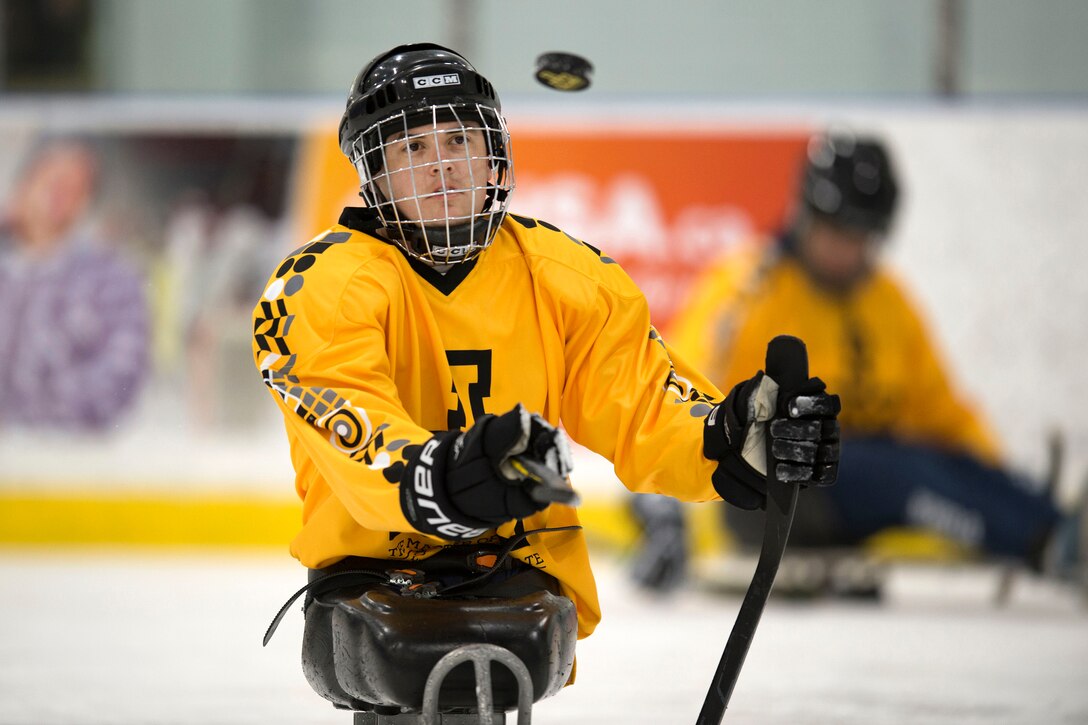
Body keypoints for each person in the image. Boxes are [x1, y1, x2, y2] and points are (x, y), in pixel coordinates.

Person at [251, 42, 841, 703]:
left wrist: (729, 440)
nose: (442, 165)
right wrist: (448, 477)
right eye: (411, 148)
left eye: (458, 139)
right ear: (373, 174)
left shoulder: (564, 276)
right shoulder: (317, 287)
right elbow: (355, 430)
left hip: (520, 565)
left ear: (493, 154)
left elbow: (641, 402)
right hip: (371, 570)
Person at [630, 131, 1085, 595]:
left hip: (853, 485)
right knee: (898, 472)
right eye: (839, 232)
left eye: (864, 236)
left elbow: (940, 412)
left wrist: (993, 478)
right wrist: (663, 511)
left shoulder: (887, 300)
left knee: (921, 461)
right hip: (768, 494)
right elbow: (676, 386)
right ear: (808, 216)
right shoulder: (749, 288)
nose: (850, 250)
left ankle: (1054, 525)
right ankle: (1047, 543)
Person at [0, 138, 149, 431]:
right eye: (50, 179)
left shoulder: (113, 279)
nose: (58, 194)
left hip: (66, 460)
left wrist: (17, 418)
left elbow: (117, 381)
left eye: (74, 187)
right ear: (24, 183)